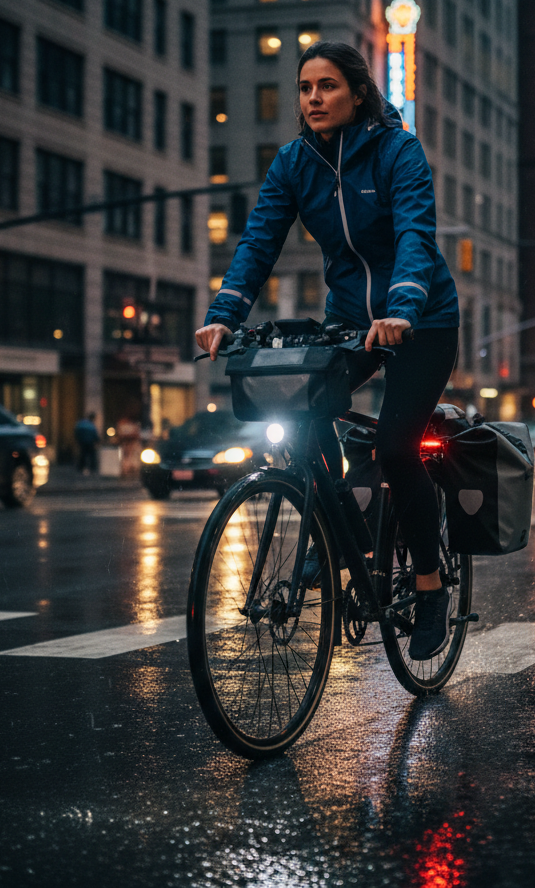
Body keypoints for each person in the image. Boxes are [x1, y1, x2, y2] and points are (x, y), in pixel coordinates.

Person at [195, 41, 459, 661]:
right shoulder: (294, 162)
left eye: (329, 86)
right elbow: (259, 241)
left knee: (397, 447)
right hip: (347, 321)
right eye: (306, 87)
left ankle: (430, 588)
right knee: (304, 413)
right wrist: (223, 316)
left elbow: (415, 233)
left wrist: (403, 307)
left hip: (421, 320)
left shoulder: (397, 151)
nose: (314, 98)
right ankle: (344, 535)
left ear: (358, 94)